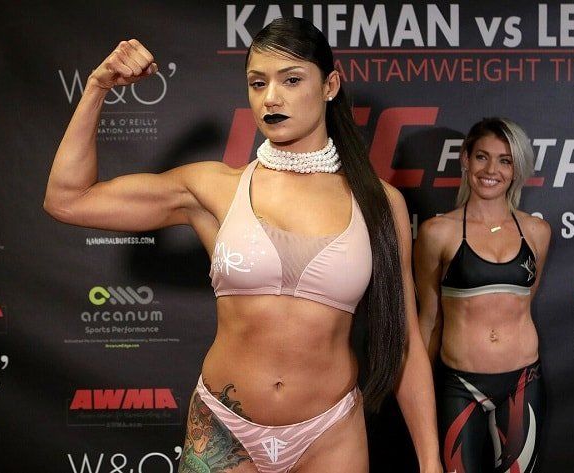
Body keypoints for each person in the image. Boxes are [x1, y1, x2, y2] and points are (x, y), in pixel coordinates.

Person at [44, 18, 441, 473]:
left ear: (330, 85)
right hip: (223, 429)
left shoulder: (378, 203)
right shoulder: (215, 188)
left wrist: (431, 461)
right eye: (257, 83)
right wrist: (97, 88)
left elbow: (404, 342)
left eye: (291, 80)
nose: (271, 97)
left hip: (330, 434)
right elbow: (68, 199)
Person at [414, 118, 551, 473]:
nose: (491, 170)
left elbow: (524, 303)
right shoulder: (437, 233)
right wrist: (419, 396)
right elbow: (428, 321)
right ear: (465, 159)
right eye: (482, 157)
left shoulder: (536, 231)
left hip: (523, 383)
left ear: (516, 169)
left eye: (505, 160)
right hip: (460, 387)